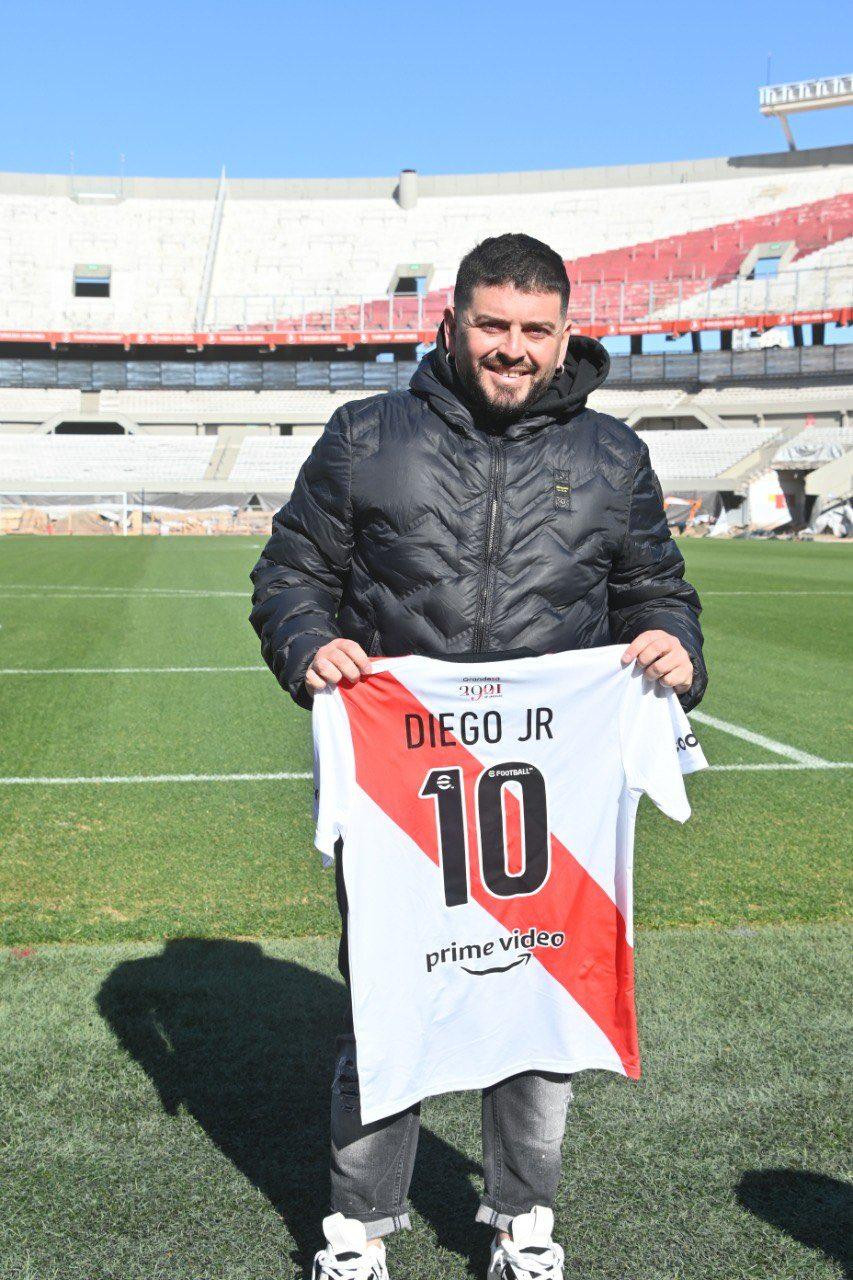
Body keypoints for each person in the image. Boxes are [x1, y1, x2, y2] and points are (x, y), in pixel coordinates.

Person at [250, 233, 707, 1280]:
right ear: (449, 324)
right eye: (491, 325)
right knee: (389, 994)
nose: (511, 348)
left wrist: (677, 644)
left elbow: (655, 590)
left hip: (554, 787)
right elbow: (290, 573)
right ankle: (356, 1233)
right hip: (404, 782)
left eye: (533, 330)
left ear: (564, 335)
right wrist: (306, 641)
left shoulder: (612, 457)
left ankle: (522, 1224)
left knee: (543, 1000)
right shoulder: (367, 436)